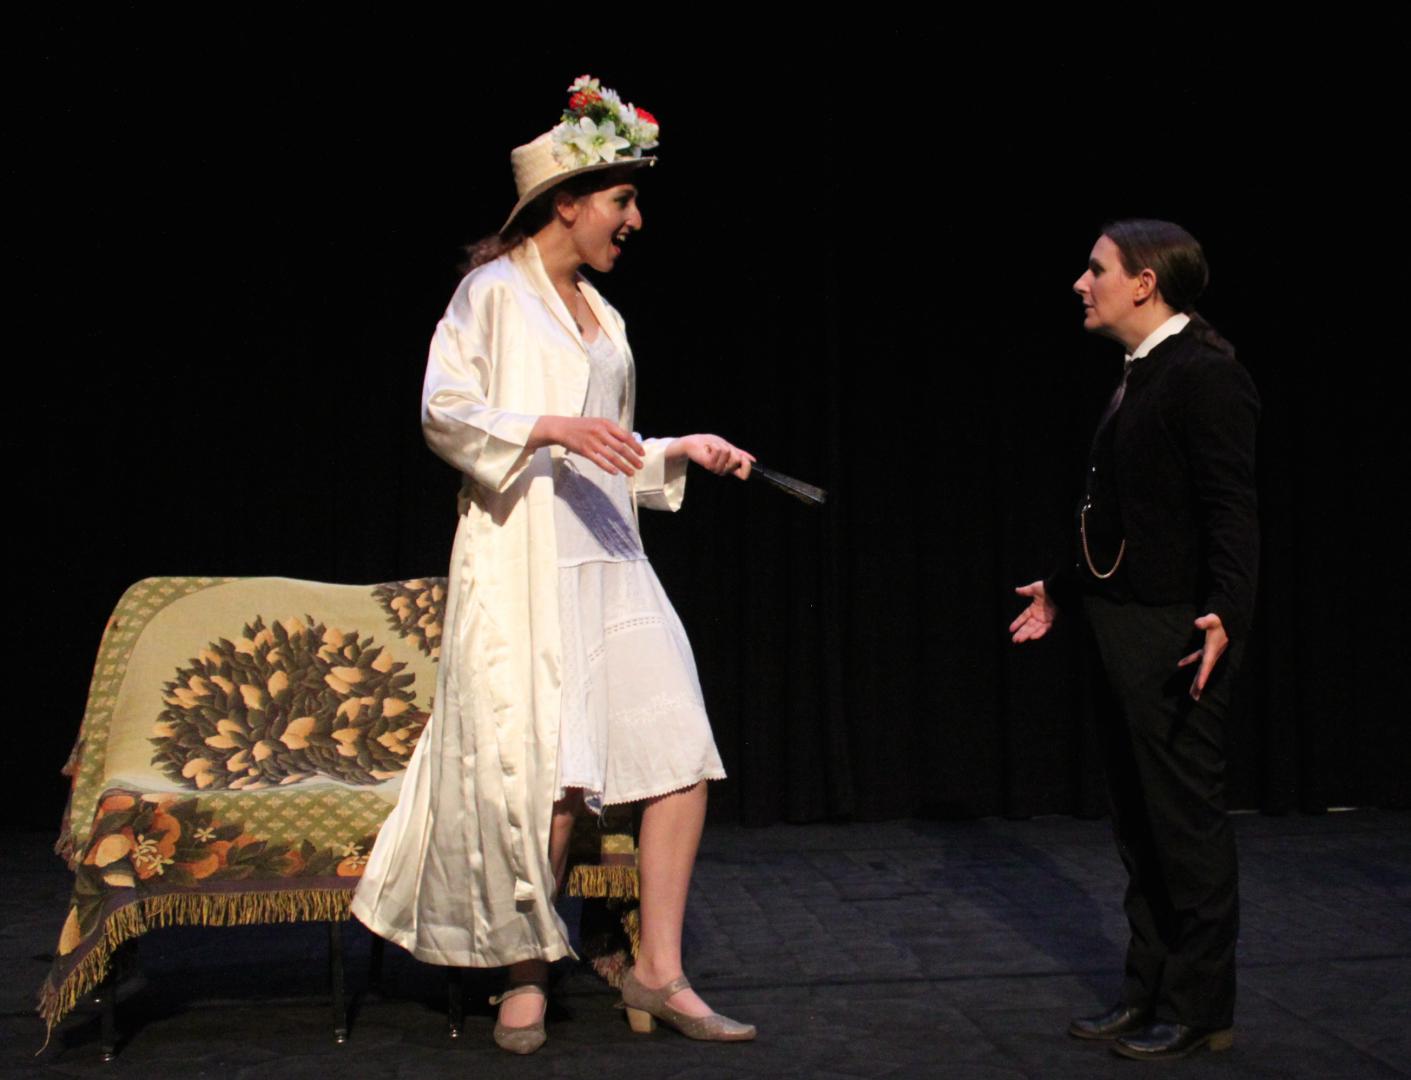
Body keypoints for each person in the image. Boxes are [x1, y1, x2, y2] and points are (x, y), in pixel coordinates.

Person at [350, 77, 757, 1054]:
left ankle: (658, 970)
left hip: (608, 553)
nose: (634, 220)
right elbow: (445, 411)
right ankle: (526, 972)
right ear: (567, 201)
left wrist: (675, 449)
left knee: (680, 754)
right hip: (526, 553)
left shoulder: (603, 317)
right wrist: (547, 426)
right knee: (552, 777)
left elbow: (605, 445)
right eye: (622, 199)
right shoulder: (492, 294)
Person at [1009, 220, 1260, 1061]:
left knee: (1182, 826)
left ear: (1144, 283)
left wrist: (1227, 610)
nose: (1081, 284)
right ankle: (1147, 989)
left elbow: (1230, 510)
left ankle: (1199, 1006)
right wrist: (1064, 587)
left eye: (1096, 270)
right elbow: (1135, 516)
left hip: (1172, 633)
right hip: (1123, 625)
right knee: (1140, 825)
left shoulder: (1204, 375)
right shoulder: (1145, 371)